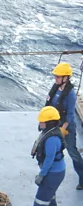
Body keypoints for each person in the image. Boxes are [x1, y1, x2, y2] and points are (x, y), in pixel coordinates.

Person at [24, 106, 65, 206]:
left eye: (42, 121)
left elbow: (49, 159)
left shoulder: (52, 139)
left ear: (49, 122)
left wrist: (42, 175)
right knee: (50, 198)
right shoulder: (52, 132)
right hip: (57, 172)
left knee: (40, 202)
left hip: (52, 174)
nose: (40, 123)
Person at [45, 62, 83, 190]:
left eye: (58, 77)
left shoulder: (70, 94)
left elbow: (71, 114)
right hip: (54, 124)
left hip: (66, 127)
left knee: (72, 152)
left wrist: (63, 129)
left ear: (65, 78)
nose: (55, 79)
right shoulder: (55, 88)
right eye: (55, 76)